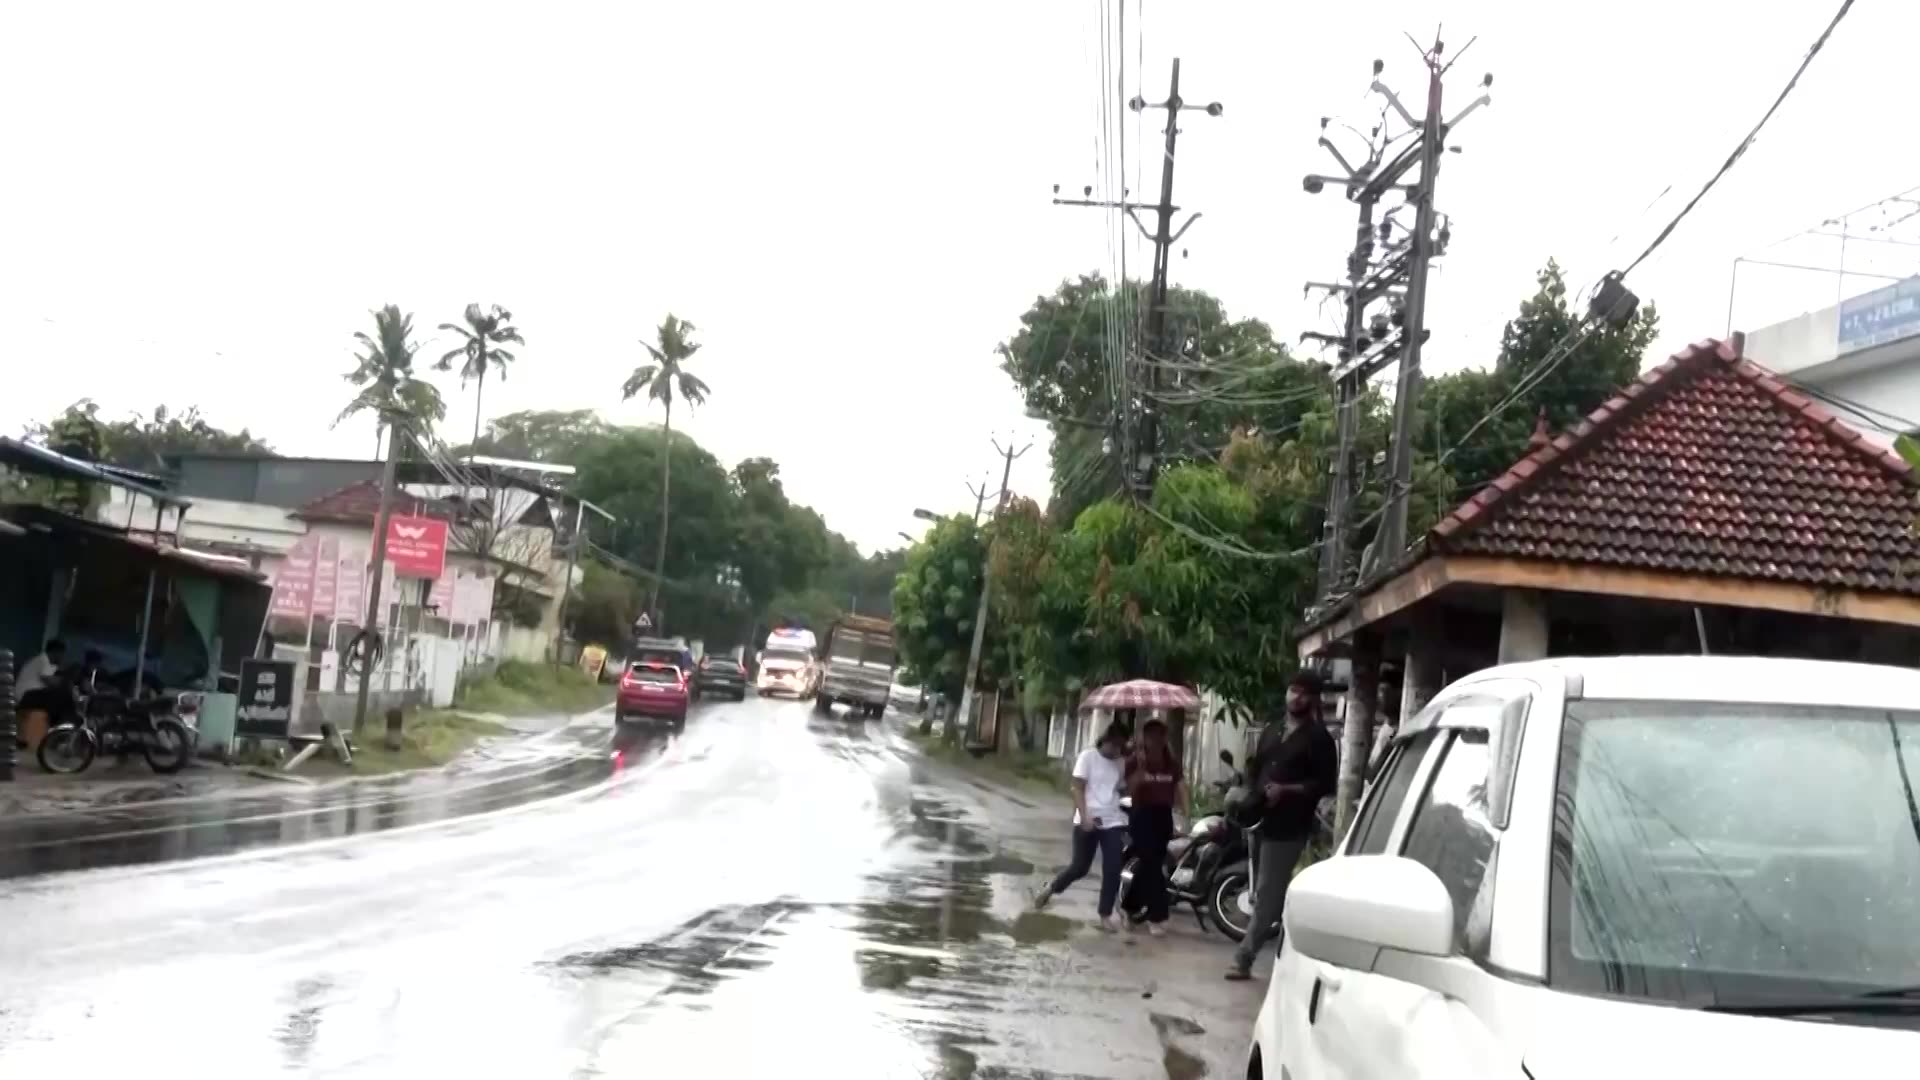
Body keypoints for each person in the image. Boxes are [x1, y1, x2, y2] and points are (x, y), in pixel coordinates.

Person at [1227, 669, 1339, 980]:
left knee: (1268, 894)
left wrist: (1287, 790)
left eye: (1304, 692)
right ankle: (1291, 952)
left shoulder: (1319, 739)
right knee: (1265, 892)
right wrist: (1244, 788)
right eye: (1293, 690)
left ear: (1314, 699)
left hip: (1289, 825)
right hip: (1258, 819)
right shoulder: (1272, 731)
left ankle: (1243, 958)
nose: (1296, 697)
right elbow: (1256, 767)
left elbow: (1324, 784)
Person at [1032, 723, 1131, 930]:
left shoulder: (1121, 762)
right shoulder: (1088, 757)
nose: (1116, 750)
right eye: (1114, 745)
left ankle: (1105, 914)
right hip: (1088, 817)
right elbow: (1077, 788)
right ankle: (1052, 888)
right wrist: (1084, 815)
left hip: (1112, 820)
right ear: (1105, 741)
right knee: (1080, 867)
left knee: (1113, 867)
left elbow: (1119, 789)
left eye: (1121, 746)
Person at [1121, 718, 1186, 935]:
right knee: (1150, 863)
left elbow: (1180, 787)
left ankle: (1130, 908)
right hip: (1141, 815)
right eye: (1151, 736)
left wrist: (1185, 814)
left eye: (1160, 736)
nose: (1156, 740)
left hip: (1163, 816)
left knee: (1152, 865)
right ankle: (1158, 915)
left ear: (1164, 738)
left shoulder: (1171, 762)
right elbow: (1127, 788)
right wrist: (1139, 774)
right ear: (1144, 738)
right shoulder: (1134, 761)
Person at [14, 639, 67, 714]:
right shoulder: (43, 660)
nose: (63, 656)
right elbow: (52, 683)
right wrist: (63, 673)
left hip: (30, 697)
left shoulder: (49, 663)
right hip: (24, 697)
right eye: (62, 653)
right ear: (55, 651)